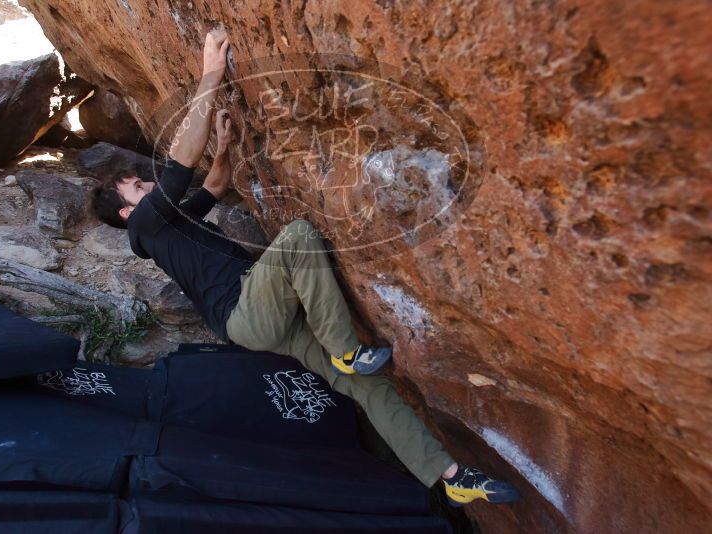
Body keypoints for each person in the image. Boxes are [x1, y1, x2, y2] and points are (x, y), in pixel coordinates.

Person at [90, 28, 520, 507]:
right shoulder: (145, 225)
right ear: (127, 212)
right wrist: (210, 71)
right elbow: (180, 163)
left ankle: (452, 477)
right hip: (247, 309)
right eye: (134, 185)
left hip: (267, 320)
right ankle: (344, 348)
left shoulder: (168, 222)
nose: (145, 183)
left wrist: (225, 142)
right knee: (297, 236)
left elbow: (214, 184)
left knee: (369, 387)